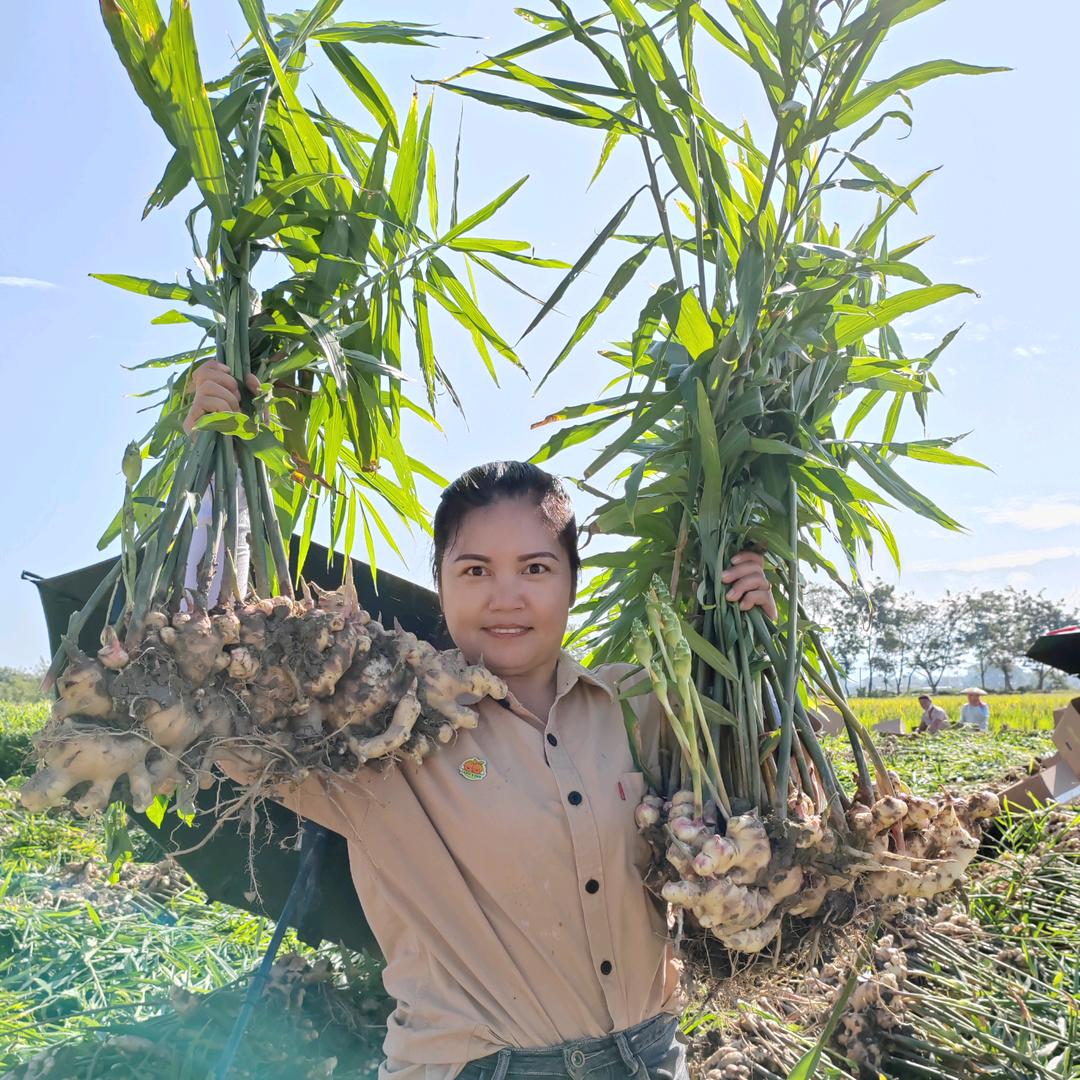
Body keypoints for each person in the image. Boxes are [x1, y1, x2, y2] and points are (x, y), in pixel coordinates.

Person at [186, 362, 778, 1080]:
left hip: (652, 1059)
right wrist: (219, 478)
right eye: (474, 571)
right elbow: (222, 687)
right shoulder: (383, 728)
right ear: (440, 582)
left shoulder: (634, 703)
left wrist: (756, 639)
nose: (506, 597)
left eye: (534, 569)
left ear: (570, 584)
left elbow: (758, 779)